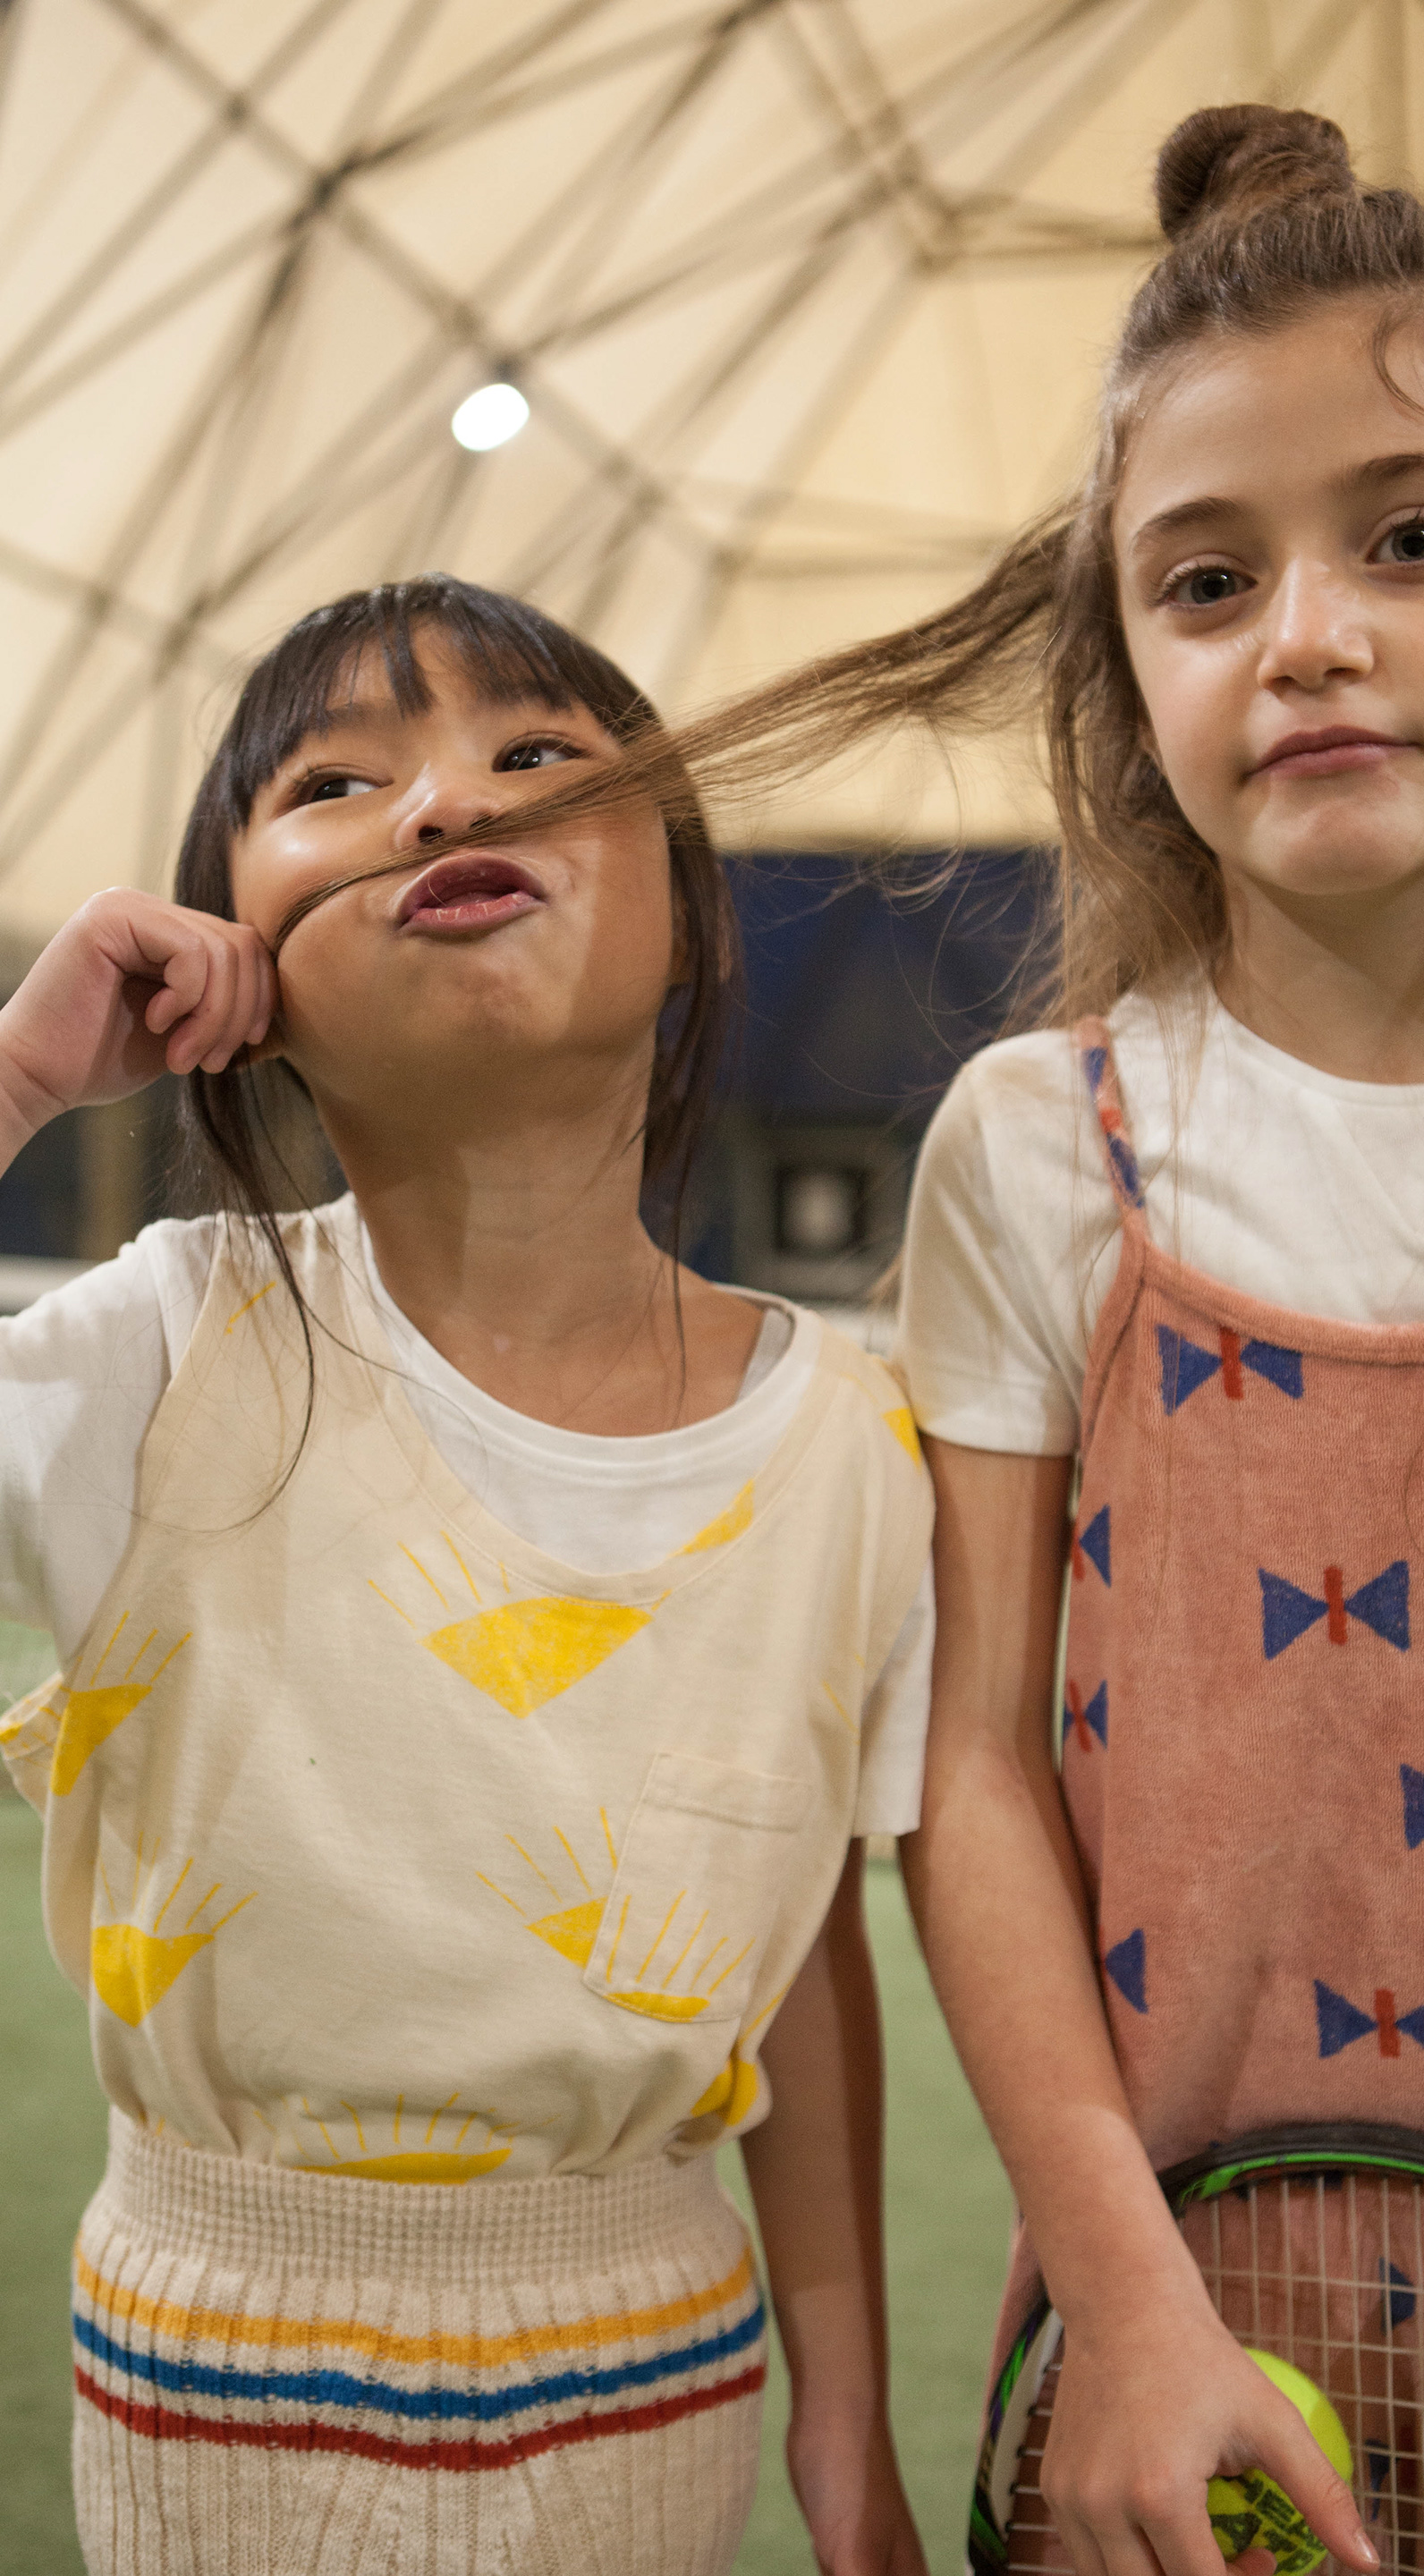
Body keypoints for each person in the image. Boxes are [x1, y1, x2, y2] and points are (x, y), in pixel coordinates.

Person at [865, 102, 1424, 2576]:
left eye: (1412, 538)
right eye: (1209, 581)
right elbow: (972, 1772)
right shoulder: (1038, 1152)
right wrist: (1127, 2302)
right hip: (1198, 2386)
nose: (1309, 633)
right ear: (1132, 679)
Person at [0, 575, 935, 2576]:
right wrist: (15, 1082)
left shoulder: (853, 1445)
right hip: (210, 2402)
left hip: (661, 2391)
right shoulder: (156, 1355)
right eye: (336, 784)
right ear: (224, 961)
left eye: (536, 756)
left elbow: (793, 1945)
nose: (445, 807)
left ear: (692, 913)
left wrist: (846, 2416)